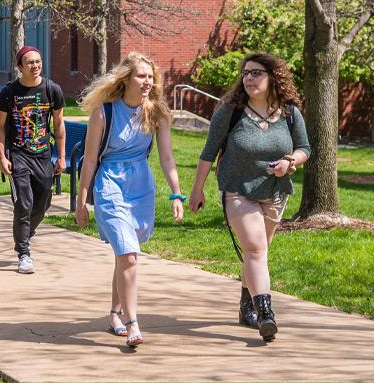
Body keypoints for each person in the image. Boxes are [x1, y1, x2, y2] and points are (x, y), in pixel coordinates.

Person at [187, 53, 310, 342]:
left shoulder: (290, 113)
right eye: (246, 73)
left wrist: (290, 161)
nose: (249, 78)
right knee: (255, 249)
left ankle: (246, 306)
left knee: (259, 254)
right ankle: (266, 313)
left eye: (256, 73)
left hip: (275, 192)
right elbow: (208, 152)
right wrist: (197, 188)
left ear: (273, 77)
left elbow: (305, 147)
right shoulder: (231, 111)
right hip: (238, 188)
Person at [74, 52, 185, 348]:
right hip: (109, 183)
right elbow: (89, 160)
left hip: (141, 187)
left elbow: (167, 157)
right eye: (141, 76)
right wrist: (81, 200)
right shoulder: (104, 112)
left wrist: (175, 193)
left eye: (150, 76)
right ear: (126, 79)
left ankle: (114, 313)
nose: (147, 81)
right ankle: (133, 322)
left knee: (126, 255)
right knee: (129, 255)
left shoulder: (157, 113)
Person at [0, 46, 66, 275]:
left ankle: (26, 232)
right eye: (30, 63)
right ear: (20, 67)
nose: (35, 66)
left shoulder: (52, 90)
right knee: (24, 203)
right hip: (19, 155)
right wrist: (1, 157)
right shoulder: (9, 93)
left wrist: (62, 157)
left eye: (38, 61)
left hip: (44, 155)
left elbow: (59, 125)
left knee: (43, 201)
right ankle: (24, 253)